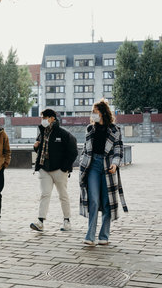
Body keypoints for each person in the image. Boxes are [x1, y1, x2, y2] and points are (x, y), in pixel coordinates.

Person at [79, 100, 128, 246]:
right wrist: (83, 163)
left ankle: (104, 235)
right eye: (92, 112)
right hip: (92, 165)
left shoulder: (115, 129)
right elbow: (84, 150)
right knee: (93, 200)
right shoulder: (90, 129)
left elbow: (119, 150)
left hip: (108, 167)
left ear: (102, 112)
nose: (92, 114)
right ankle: (90, 236)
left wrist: (115, 163)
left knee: (107, 203)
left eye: (95, 111)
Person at [31, 108, 78, 232]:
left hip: (59, 170)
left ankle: (67, 220)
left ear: (53, 118)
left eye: (45, 117)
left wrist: (65, 168)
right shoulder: (42, 133)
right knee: (45, 194)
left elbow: (73, 152)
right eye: (42, 118)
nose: (43, 120)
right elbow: (42, 150)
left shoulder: (63, 134)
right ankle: (40, 221)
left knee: (63, 195)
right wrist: (35, 147)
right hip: (44, 169)